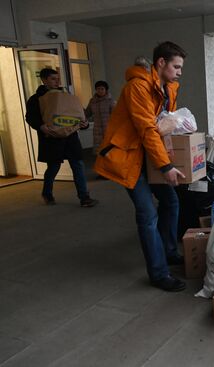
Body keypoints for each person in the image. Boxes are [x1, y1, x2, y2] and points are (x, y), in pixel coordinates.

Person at [94, 41, 187, 292]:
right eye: (176, 66)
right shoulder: (137, 87)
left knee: (171, 201)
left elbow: (165, 124)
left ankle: (169, 252)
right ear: (160, 63)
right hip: (129, 158)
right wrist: (166, 166)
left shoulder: (167, 88)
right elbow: (147, 129)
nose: (179, 71)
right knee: (148, 215)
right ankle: (158, 273)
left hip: (148, 157)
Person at [25, 68, 98, 207]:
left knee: (78, 165)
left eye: (58, 78)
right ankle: (47, 193)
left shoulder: (66, 96)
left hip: (70, 138)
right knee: (53, 167)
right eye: (53, 78)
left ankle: (84, 197)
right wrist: (41, 126)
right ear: (44, 80)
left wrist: (84, 123)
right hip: (51, 138)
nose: (57, 81)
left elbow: (77, 115)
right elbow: (30, 117)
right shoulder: (36, 99)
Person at [85, 81, 115, 154]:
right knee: (99, 150)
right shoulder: (92, 101)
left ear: (106, 90)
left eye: (102, 89)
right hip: (97, 129)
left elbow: (115, 115)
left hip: (108, 128)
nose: (100, 91)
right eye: (98, 89)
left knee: (110, 150)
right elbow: (87, 113)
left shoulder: (111, 101)